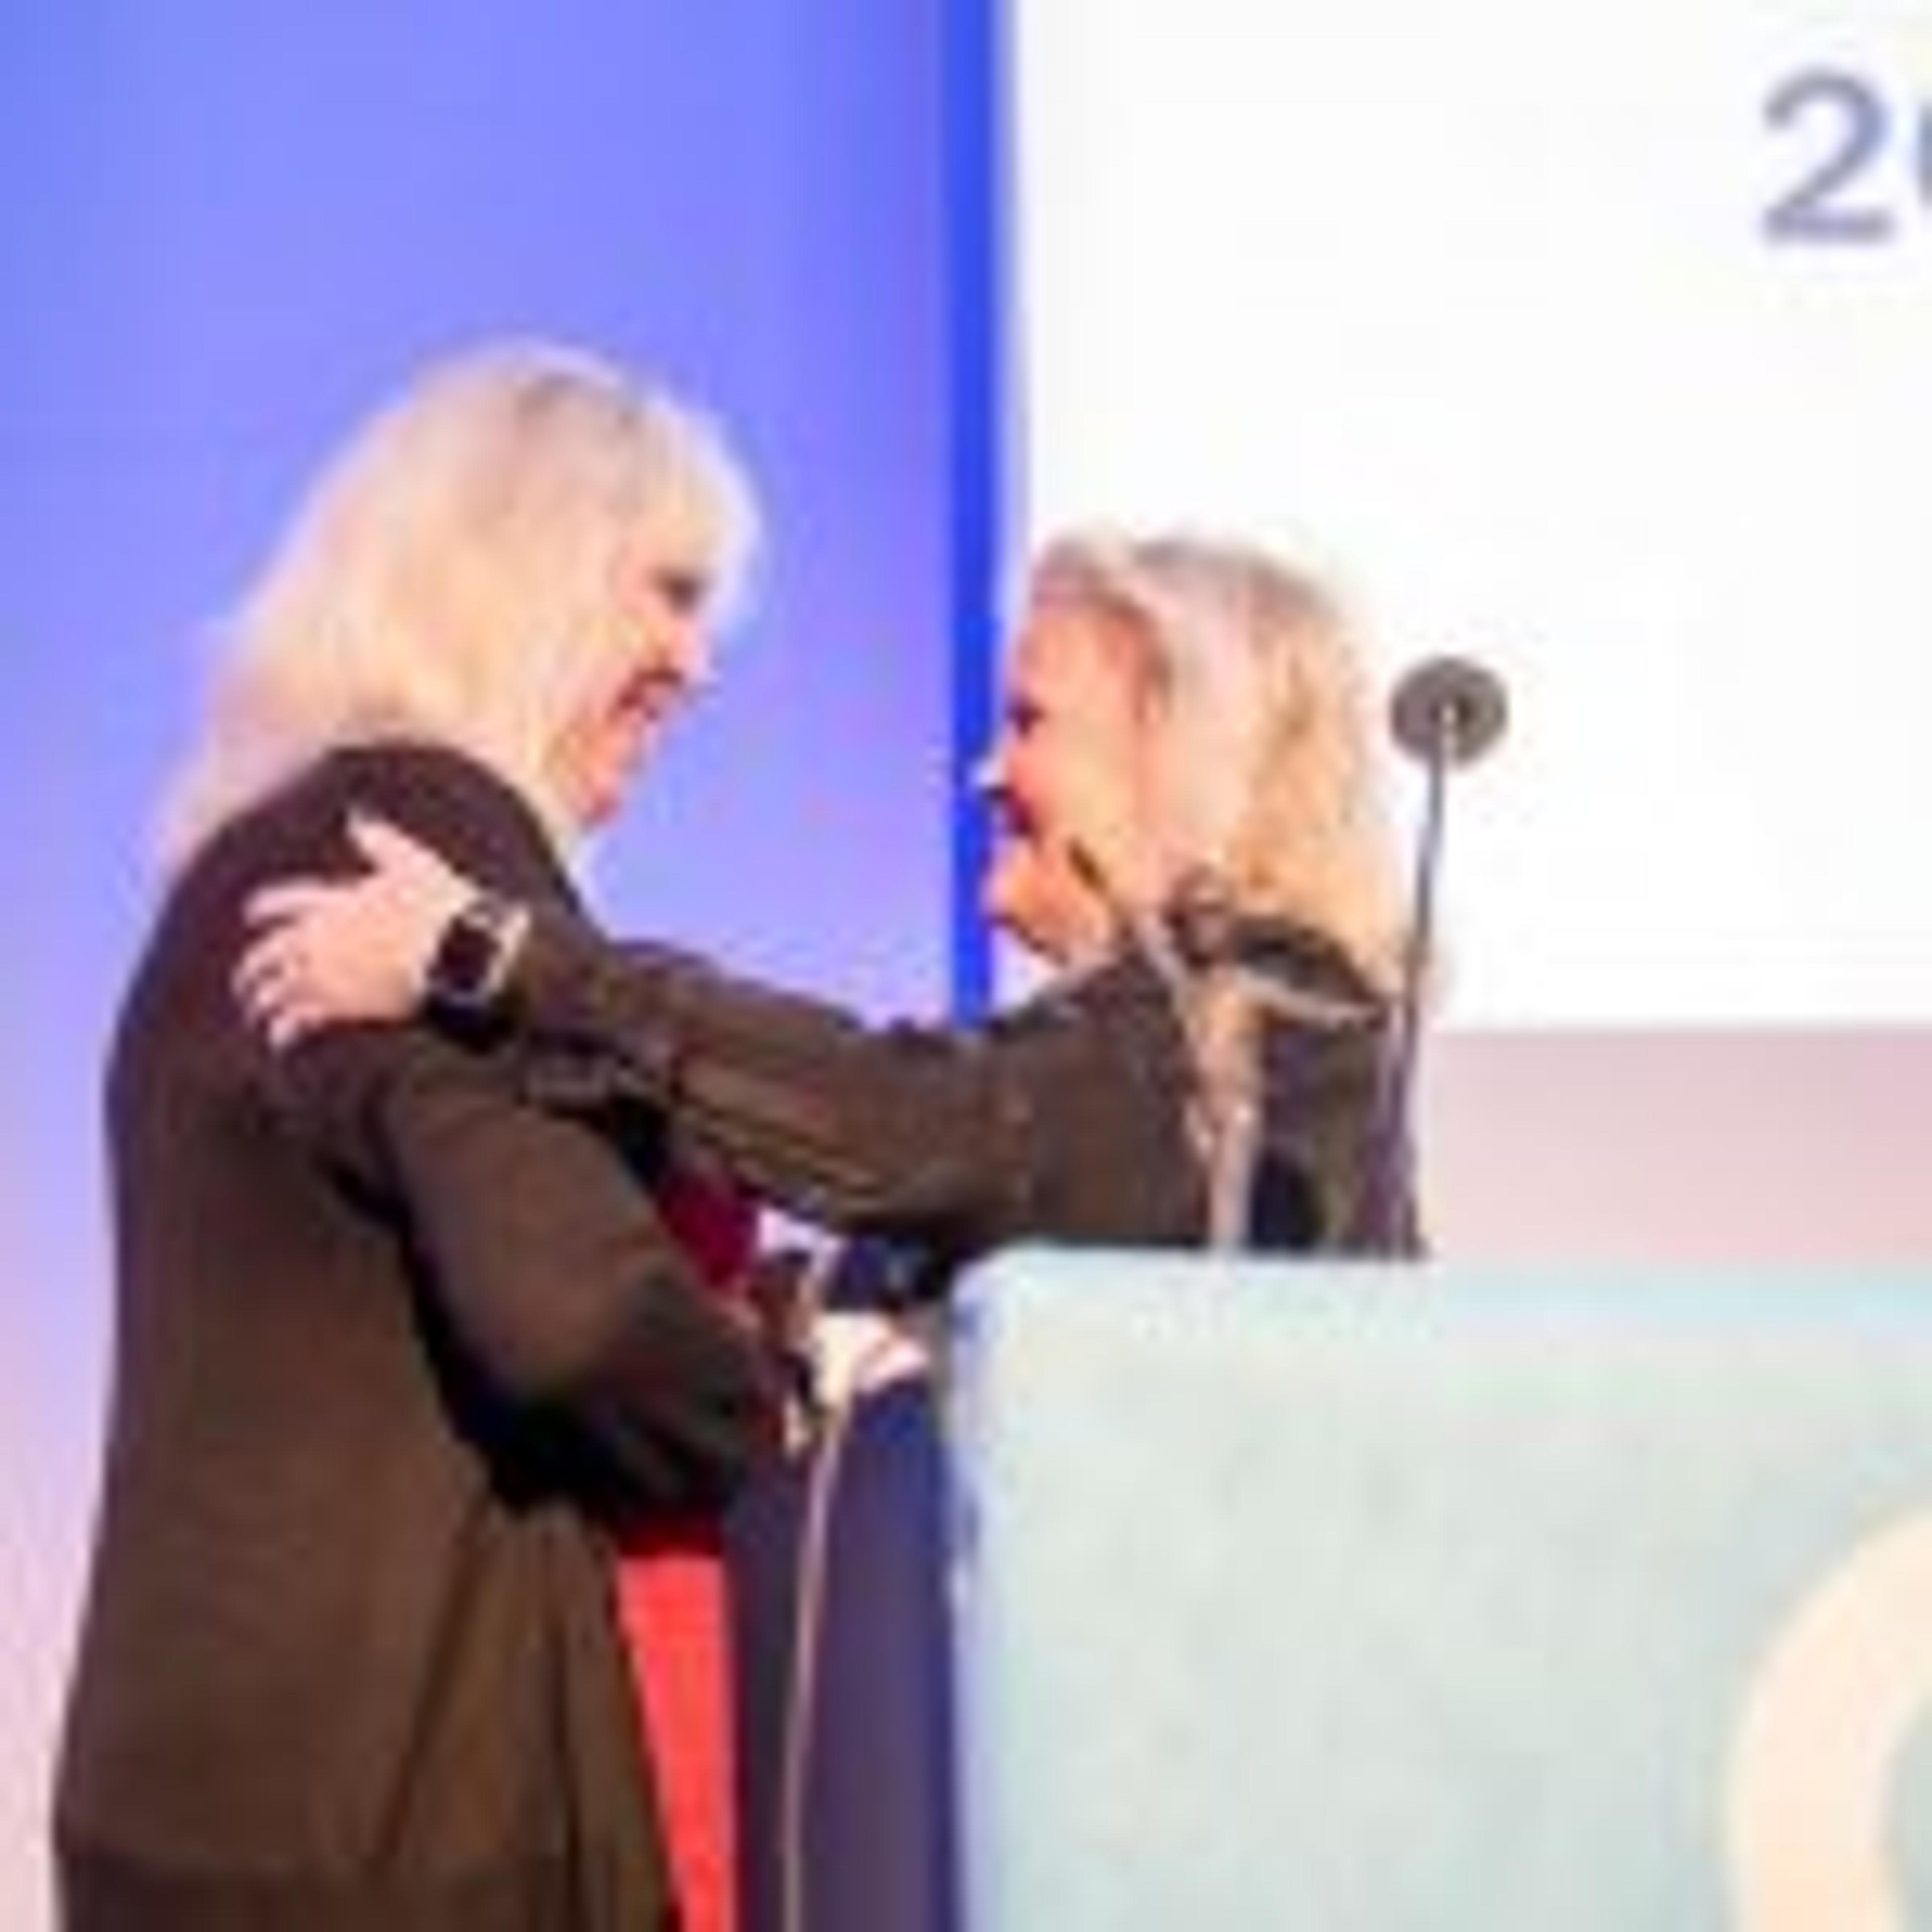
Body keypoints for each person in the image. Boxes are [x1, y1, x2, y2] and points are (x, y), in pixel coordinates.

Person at [54, 339, 784, 1932]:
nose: (697, 662)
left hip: (198, 1813)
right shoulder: (423, 864)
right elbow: (580, 1319)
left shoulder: (253, 860)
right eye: (667, 593)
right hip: (405, 1838)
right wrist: (772, 1403)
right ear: (516, 575)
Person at [236, 530, 1420, 1271]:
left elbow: (901, 1126)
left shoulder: (1271, 1026)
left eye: (1031, 723)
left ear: (1188, 749)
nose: (988, 773)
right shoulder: (1170, 1052)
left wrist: (492, 954)